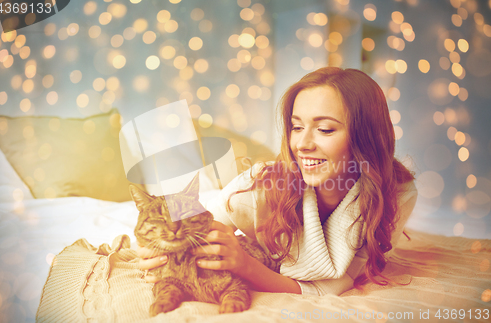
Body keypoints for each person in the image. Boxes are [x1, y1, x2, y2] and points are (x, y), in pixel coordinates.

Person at [137, 67, 418, 296]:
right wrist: (152, 249)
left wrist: (248, 267)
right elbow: (195, 232)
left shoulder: (397, 192)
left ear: (366, 136)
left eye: (324, 129)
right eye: (296, 127)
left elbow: (339, 282)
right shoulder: (255, 189)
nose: (302, 144)